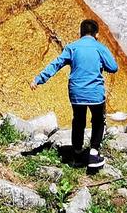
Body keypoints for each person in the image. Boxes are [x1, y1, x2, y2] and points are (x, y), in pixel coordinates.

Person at [30, 18, 118, 172]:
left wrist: (39, 79)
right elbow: (113, 67)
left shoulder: (72, 48)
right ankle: (94, 153)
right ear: (97, 34)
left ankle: (77, 155)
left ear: (81, 33)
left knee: (78, 120)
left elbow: (55, 64)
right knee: (98, 120)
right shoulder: (100, 47)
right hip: (95, 93)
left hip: (76, 92)